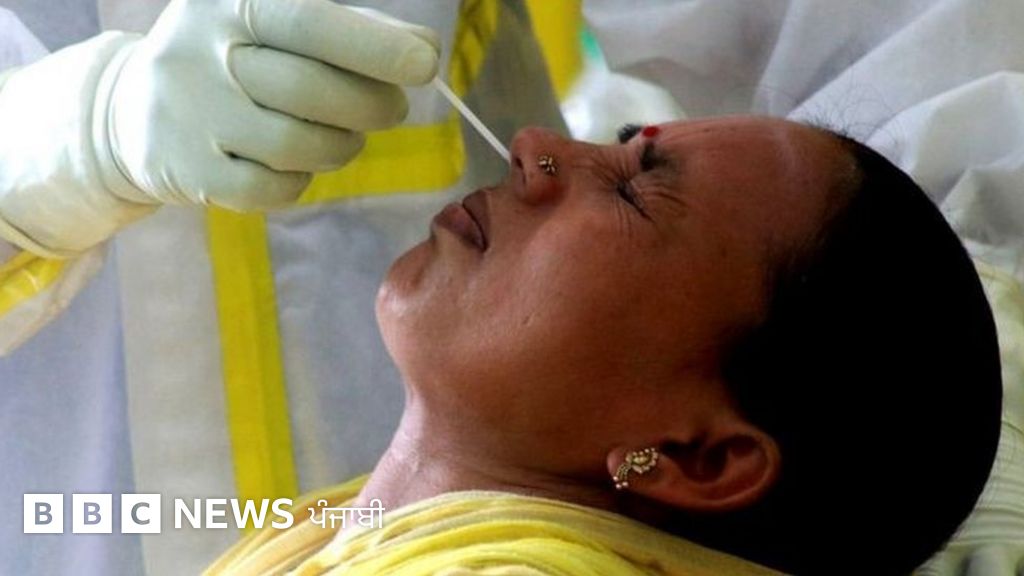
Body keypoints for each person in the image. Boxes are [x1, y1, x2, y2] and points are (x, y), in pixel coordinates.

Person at [206, 116, 1002, 575]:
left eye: (629, 190)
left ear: (696, 458)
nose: (534, 148)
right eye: (618, 149)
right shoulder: (339, 531)